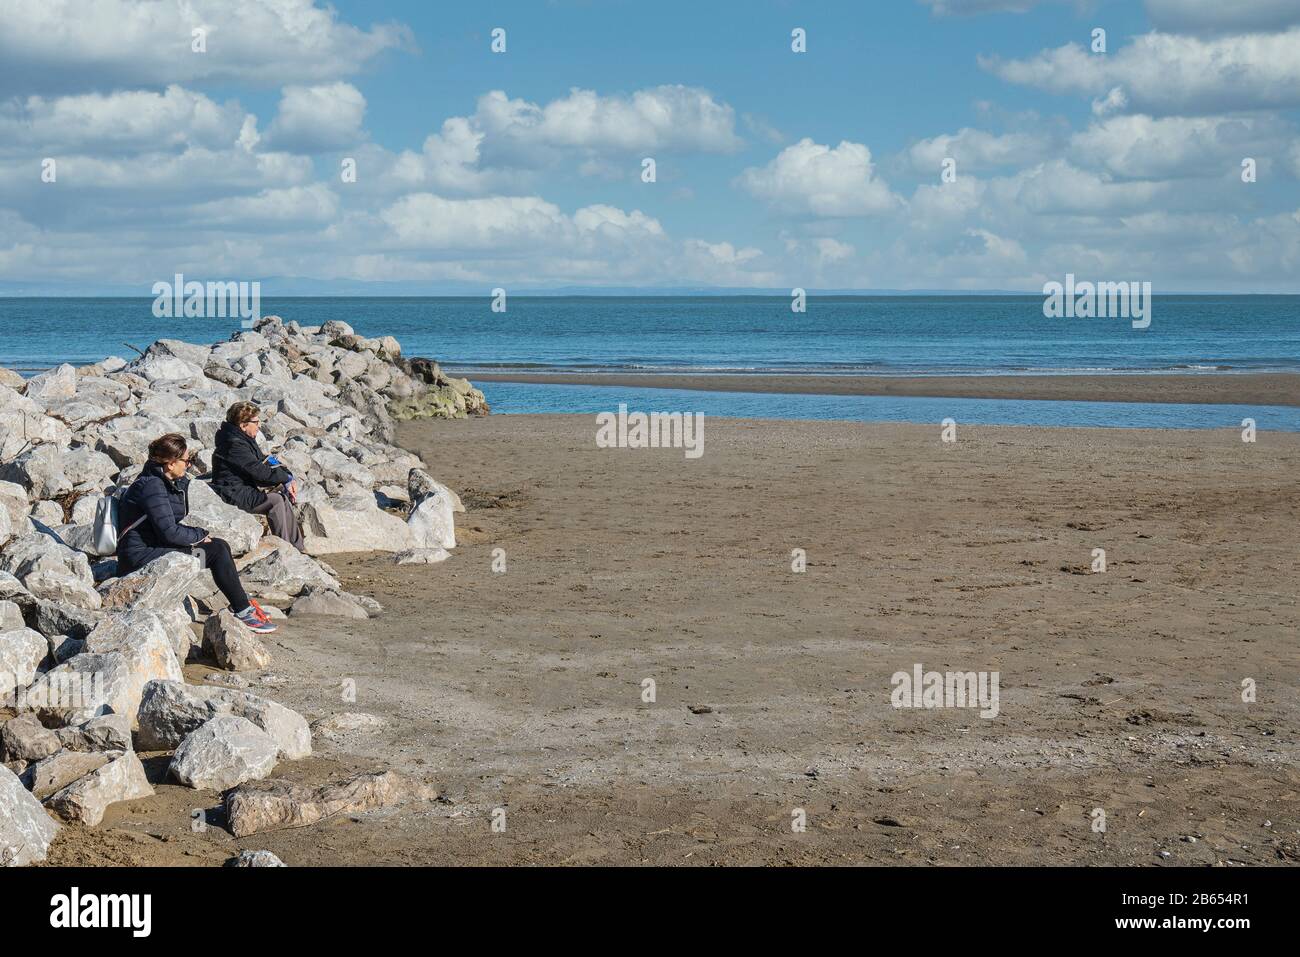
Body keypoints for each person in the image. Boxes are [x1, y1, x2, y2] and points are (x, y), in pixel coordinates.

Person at [117, 433, 276, 634]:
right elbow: (169, 533)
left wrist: (198, 536)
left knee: (219, 546)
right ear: (170, 464)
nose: (189, 465)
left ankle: (242, 605)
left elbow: (165, 527)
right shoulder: (152, 486)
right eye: (186, 461)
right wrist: (200, 534)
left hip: (152, 547)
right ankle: (243, 611)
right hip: (139, 557)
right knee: (216, 550)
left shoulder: (160, 481)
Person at [210, 401, 306, 553]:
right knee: (276, 501)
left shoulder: (243, 439)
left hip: (243, 489)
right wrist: (285, 479)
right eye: (255, 422)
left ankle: (298, 548)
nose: (259, 425)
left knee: (283, 497)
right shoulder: (233, 445)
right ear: (243, 425)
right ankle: (286, 550)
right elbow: (260, 472)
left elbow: (266, 461)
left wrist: (288, 476)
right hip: (232, 493)